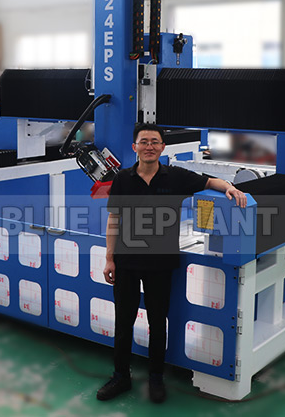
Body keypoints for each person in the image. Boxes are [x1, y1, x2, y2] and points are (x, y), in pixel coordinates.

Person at [97, 123, 246, 404]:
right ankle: (120, 376)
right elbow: (114, 219)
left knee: (157, 323)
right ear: (135, 147)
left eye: (155, 141)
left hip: (160, 263)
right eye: (144, 141)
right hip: (126, 262)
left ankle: (156, 378)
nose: (149, 146)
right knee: (123, 323)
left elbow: (208, 182)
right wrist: (109, 258)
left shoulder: (176, 177)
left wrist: (230, 188)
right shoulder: (123, 179)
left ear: (163, 147)